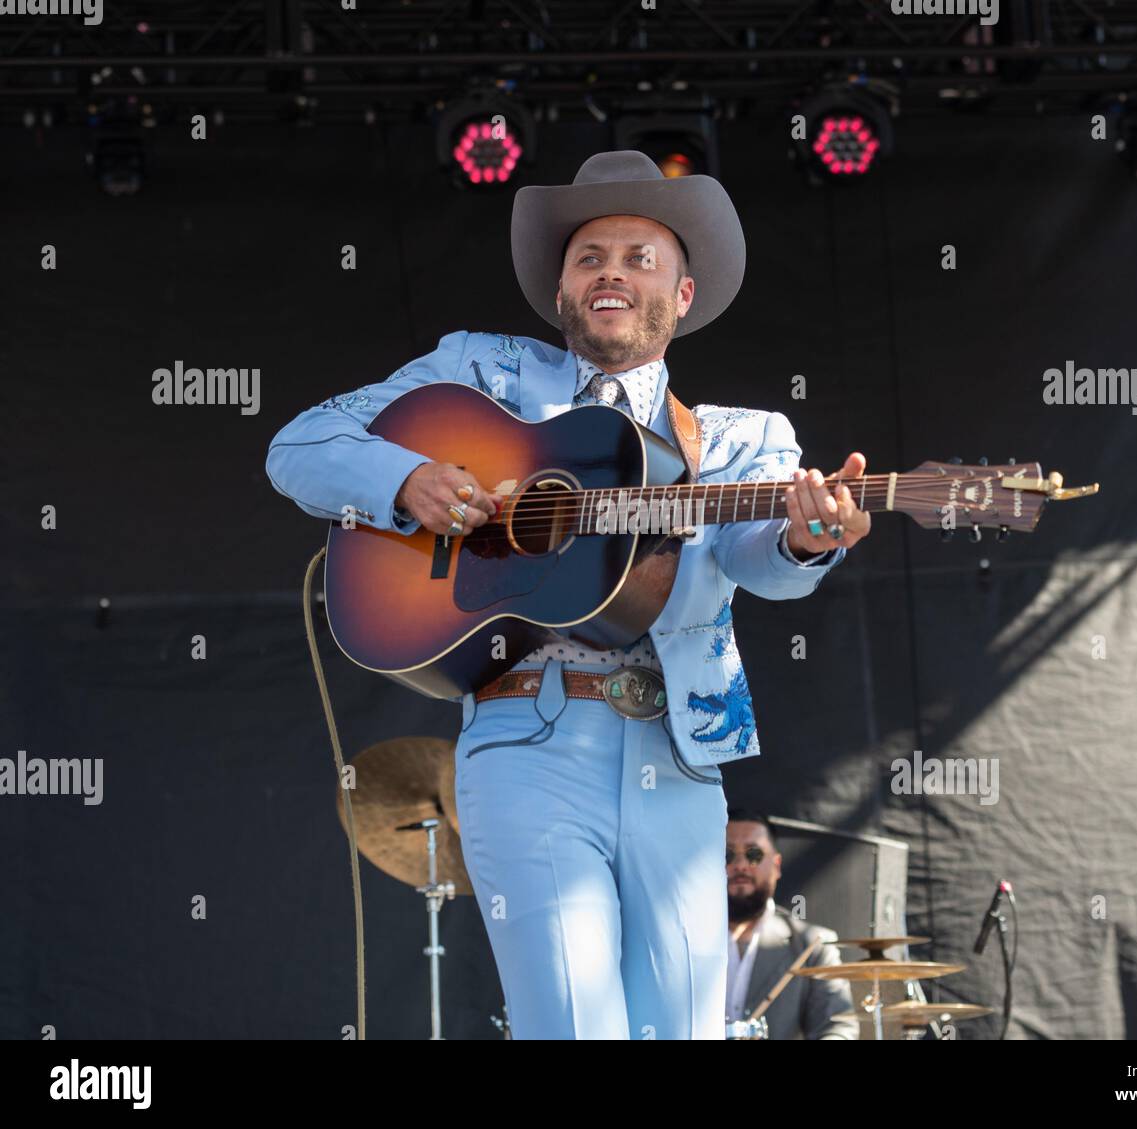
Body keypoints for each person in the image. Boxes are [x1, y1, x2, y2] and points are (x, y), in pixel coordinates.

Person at [266, 149, 872, 1039]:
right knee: (572, 1024)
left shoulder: (746, 438)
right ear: (562, 293)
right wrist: (406, 480)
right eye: (589, 258)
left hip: (681, 751)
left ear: (684, 296)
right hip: (526, 736)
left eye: (639, 257)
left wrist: (807, 535)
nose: (611, 274)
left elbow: (759, 557)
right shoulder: (482, 374)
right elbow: (300, 444)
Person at [725, 809, 858, 1040]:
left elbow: (838, 1028)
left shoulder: (813, 945)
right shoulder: (679, 940)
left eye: (753, 854)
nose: (740, 865)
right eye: (727, 855)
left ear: (776, 865)